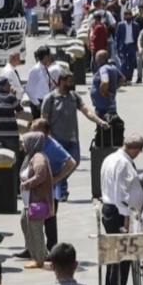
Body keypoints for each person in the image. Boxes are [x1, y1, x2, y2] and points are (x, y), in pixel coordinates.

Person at [41, 63, 110, 202]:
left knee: (74, 162)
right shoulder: (50, 99)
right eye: (69, 82)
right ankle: (61, 191)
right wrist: (50, 138)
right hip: (57, 140)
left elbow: (87, 111)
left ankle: (57, 182)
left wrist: (99, 121)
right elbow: (44, 121)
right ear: (61, 82)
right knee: (62, 165)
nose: (72, 84)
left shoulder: (74, 97)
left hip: (73, 139)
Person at [15, 119, 78, 260]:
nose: (32, 132)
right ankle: (32, 249)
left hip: (48, 191)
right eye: (31, 129)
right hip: (32, 193)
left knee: (48, 223)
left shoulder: (52, 146)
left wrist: (57, 178)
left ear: (46, 131)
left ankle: (51, 251)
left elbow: (71, 162)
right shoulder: (35, 144)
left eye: (35, 130)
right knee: (29, 222)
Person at [99, 134, 143, 285]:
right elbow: (121, 192)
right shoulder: (124, 163)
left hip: (110, 208)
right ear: (133, 149)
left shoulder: (110, 158)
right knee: (124, 252)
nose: (138, 154)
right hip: (118, 211)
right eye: (139, 151)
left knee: (113, 250)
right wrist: (126, 216)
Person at [19, 132, 55, 270]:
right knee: (25, 223)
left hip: (36, 202)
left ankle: (39, 259)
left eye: (25, 142)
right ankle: (41, 252)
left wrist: (27, 184)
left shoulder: (38, 158)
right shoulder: (31, 156)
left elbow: (41, 175)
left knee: (35, 229)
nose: (23, 145)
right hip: (28, 201)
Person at [90, 50, 126, 119]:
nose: (96, 60)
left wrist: (104, 91)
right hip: (111, 104)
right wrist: (114, 88)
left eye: (97, 58)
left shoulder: (103, 69)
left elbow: (105, 81)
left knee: (103, 126)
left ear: (99, 59)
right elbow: (123, 79)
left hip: (103, 107)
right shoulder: (113, 67)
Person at [25, 46, 56, 121]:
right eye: (49, 56)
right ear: (45, 56)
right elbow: (29, 89)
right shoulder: (35, 70)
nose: (50, 58)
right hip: (38, 104)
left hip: (45, 101)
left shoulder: (44, 68)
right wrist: (37, 103)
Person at [115, 9, 140, 83]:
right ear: (124, 16)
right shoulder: (120, 25)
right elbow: (117, 37)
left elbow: (138, 36)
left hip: (132, 45)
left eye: (130, 15)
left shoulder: (135, 25)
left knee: (131, 63)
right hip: (123, 46)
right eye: (127, 15)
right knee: (124, 62)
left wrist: (138, 46)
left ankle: (129, 78)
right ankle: (124, 79)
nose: (128, 16)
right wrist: (117, 47)